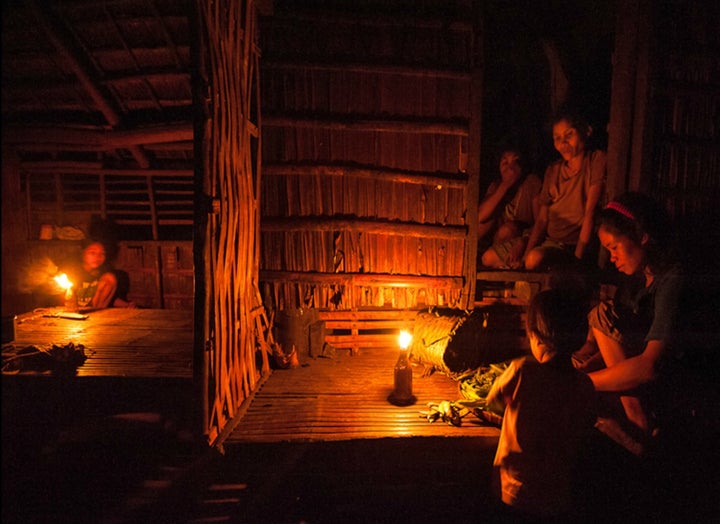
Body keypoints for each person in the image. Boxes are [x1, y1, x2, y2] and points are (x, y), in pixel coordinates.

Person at [485, 288, 596, 520]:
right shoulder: (584, 385)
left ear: (535, 335)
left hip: (515, 491)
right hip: (556, 497)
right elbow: (585, 422)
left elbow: (492, 400)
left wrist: (509, 406)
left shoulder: (522, 371)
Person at [586, 192, 683, 436]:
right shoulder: (635, 282)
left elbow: (648, 366)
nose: (612, 257)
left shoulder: (672, 281)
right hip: (639, 378)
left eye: (614, 247)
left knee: (602, 314)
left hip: (671, 386)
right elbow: (616, 344)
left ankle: (638, 423)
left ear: (641, 236)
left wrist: (583, 384)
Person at [521, 111, 606, 271]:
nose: (563, 143)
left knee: (535, 259)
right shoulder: (553, 170)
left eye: (569, 135)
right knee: (490, 258)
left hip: (571, 245)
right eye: (557, 138)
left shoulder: (595, 161)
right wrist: (526, 252)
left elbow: (590, 212)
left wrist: (577, 260)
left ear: (586, 132)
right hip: (549, 240)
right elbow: (541, 220)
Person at [477, 147, 542, 268]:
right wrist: (506, 184)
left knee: (508, 229)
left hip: (523, 240)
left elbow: (540, 222)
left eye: (515, 162)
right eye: (505, 163)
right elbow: (480, 217)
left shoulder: (531, 182)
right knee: (501, 230)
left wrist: (524, 240)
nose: (510, 168)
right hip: (499, 242)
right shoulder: (497, 186)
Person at [62, 239, 136, 309]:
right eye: (92, 253)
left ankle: (97, 314)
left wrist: (127, 305)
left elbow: (110, 299)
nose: (98, 257)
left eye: (102, 253)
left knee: (110, 278)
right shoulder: (72, 272)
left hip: (94, 312)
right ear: (82, 253)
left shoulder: (103, 274)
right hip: (73, 311)